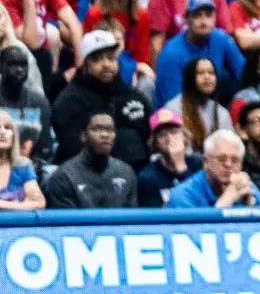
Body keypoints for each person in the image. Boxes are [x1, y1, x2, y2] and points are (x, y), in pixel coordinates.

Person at [51, 29, 150, 169]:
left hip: (139, 175)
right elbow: (73, 150)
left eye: (111, 57)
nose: (106, 64)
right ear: (85, 64)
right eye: (97, 59)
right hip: (90, 174)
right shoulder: (68, 102)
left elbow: (150, 139)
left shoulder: (134, 97)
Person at [43, 111, 137, 209]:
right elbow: (68, 222)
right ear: (84, 136)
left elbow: (133, 218)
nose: (105, 135)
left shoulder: (126, 172)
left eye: (110, 130)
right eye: (97, 129)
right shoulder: (64, 177)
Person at [166, 128, 260, 208]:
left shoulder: (247, 187)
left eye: (235, 160)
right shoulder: (183, 194)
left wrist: (251, 205)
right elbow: (197, 233)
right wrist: (228, 198)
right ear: (206, 162)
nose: (228, 164)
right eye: (221, 159)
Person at [136, 108, 202, 206]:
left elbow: (201, 203)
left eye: (174, 132)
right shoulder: (147, 178)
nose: (170, 139)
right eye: (162, 134)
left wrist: (181, 167)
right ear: (155, 143)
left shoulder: (199, 165)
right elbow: (154, 217)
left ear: (184, 135)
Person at [0, 109, 44, 208]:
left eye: (7, 128)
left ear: (14, 135)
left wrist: (3, 204)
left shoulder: (23, 165)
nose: (3, 132)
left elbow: (38, 203)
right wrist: (20, 205)